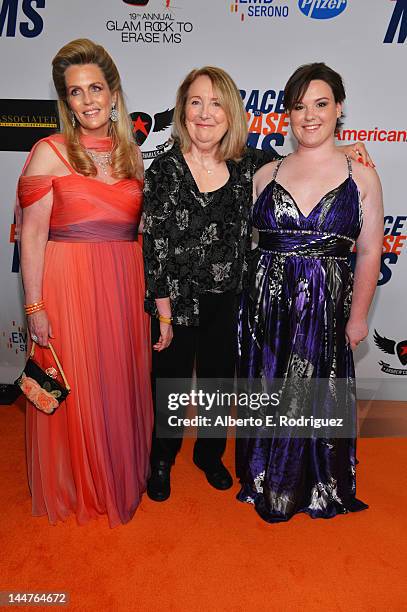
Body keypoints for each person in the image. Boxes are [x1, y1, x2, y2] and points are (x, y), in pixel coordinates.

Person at [142, 65, 371, 502]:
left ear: (231, 113)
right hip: (175, 302)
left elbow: (309, 161)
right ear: (182, 111)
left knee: (216, 383)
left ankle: (209, 456)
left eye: (215, 103)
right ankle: (163, 457)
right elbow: (153, 248)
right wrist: (164, 315)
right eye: (195, 102)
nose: (205, 113)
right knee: (168, 382)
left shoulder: (252, 165)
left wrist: (349, 149)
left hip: (233, 300)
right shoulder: (163, 170)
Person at [236, 62, 383, 523]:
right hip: (269, 308)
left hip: (325, 309)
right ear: (287, 114)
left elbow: (369, 254)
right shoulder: (266, 174)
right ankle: (265, 478)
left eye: (321, 104)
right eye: (298, 106)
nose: (310, 116)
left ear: (339, 109)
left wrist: (358, 318)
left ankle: (317, 483)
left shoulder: (361, 175)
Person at [18, 39, 153, 527]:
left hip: (123, 284)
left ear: (114, 94)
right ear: (66, 101)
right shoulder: (48, 152)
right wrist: (35, 307)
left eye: (96, 88)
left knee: (116, 380)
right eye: (76, 92)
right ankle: (79, 482)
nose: (89, 100)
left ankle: (115, 472)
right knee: (79, 383)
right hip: (68, 281)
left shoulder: (131, 155)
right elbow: (32, 235)